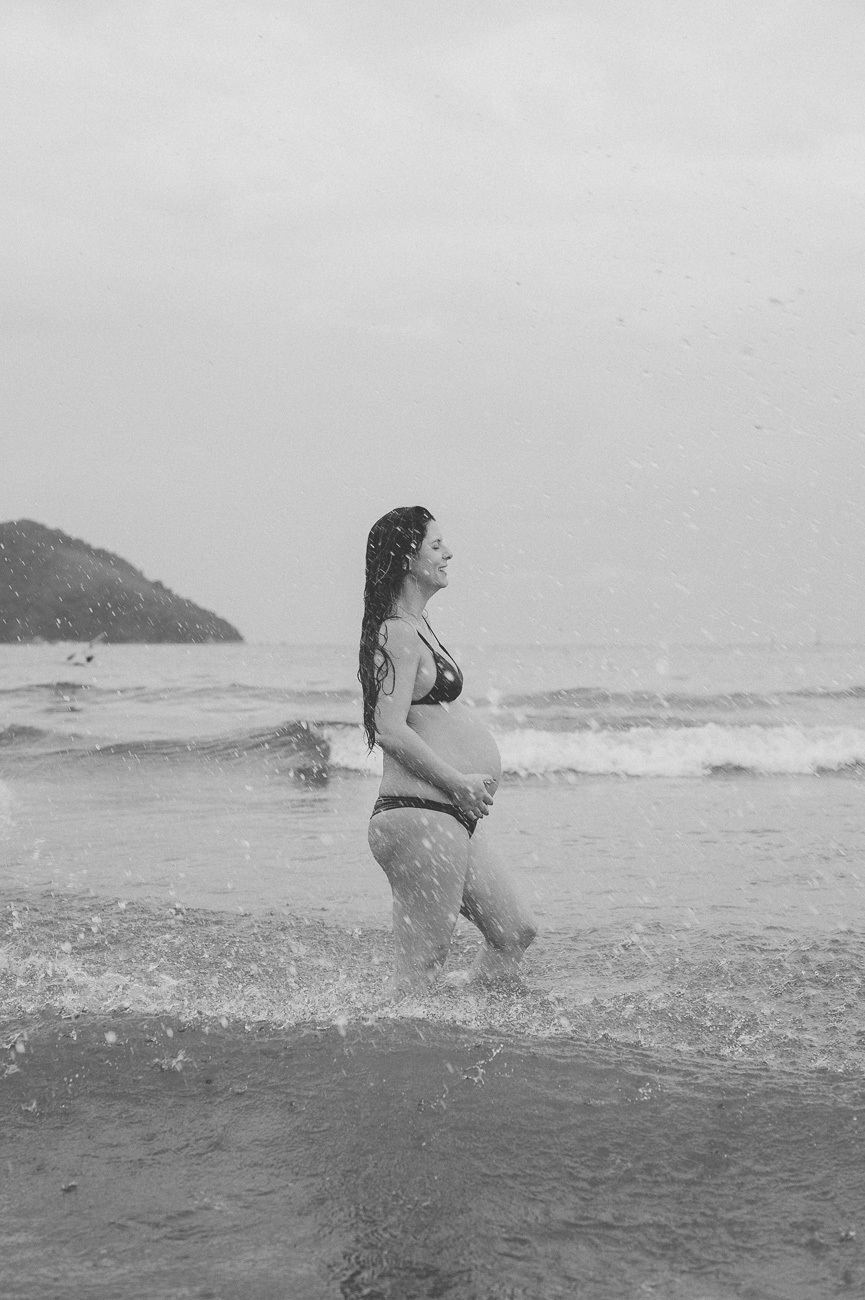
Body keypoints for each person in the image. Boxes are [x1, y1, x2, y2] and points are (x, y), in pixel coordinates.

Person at [358, 505, 537, 998]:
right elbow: (389, 729)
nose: (448, 553)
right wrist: (458, 782)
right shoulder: (395, 632)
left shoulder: (416, 627)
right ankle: (388, 1037)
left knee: (514, 932)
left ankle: (462, 1028)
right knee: (422, 966)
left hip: (449, 815)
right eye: (436, 546)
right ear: (406, 558)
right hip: (419, 813)